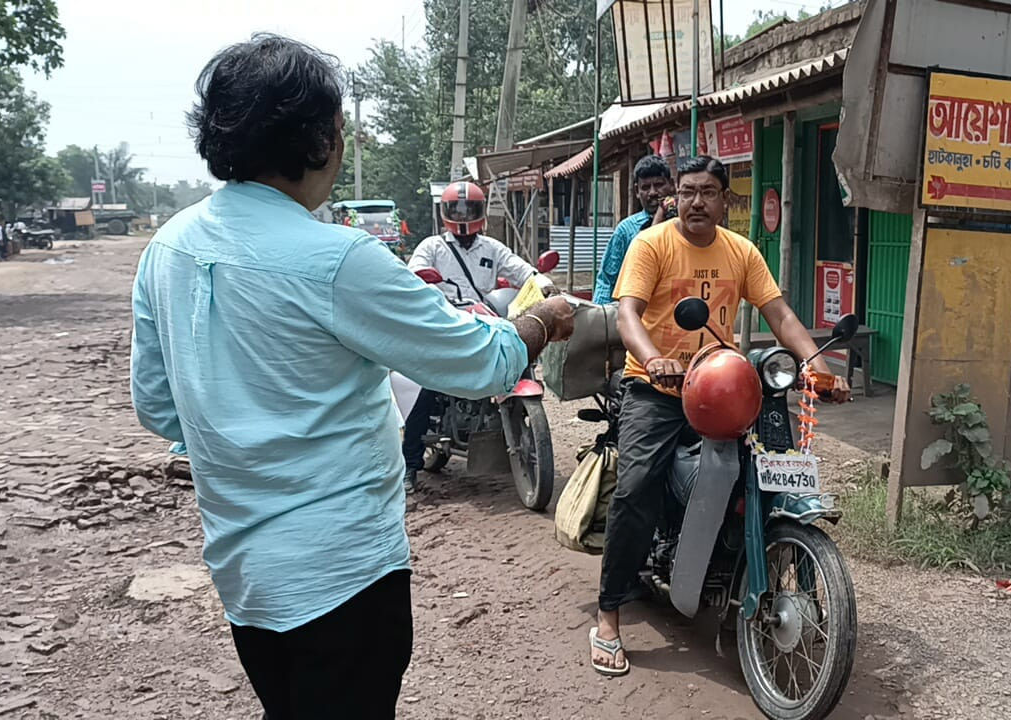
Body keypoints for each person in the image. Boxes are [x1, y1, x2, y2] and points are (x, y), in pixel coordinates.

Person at [128, 35, 573, 719]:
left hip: (242, 572)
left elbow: (159, 409)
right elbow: (484, 362)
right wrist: (543, 319)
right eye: (339, 125)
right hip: (343, 575)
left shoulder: (169, 246)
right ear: (322, 137)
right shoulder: (338, 258)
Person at [588, 156, 850, 676]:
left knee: (770, 466)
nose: (696, 202)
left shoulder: (741, 251)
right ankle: (609, 618)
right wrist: (654, 357)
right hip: (657, 388)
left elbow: (780, 315)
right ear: (674, 197)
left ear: (725, 201)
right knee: (637, 487)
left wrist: (817, 364)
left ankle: (746, 568)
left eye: (708, 192)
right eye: (687, 192)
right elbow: (627, 313)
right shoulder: (651, 243)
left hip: (721, 383)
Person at [401, 181, 556, 492]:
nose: (462, 215)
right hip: (446, 324)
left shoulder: (491, 247)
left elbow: (520, 269)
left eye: (469, 209)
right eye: (456, 209)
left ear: (481, 212)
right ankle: (410, 466)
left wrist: (543, 283)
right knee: (426, 390)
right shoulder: (432, 247)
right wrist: (427, 287)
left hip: (485, 319)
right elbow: (414, 274)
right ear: (445, 213)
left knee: (518, 356)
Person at [591, 155, 675, 305]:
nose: (653, 193)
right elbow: (608, 279)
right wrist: (601, 318)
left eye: (659, 185)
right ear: (637, 191)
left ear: (672, 185)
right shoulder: (626, 230)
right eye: (645, 187)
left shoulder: (683, 225)